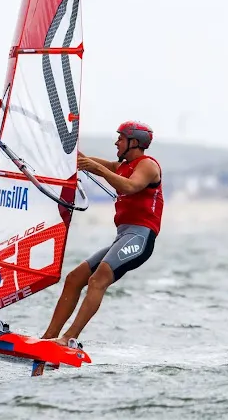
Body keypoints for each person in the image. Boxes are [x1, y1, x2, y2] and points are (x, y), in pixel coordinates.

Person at [42, 121, 164, 346]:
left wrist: (98, 169)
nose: (116, 142)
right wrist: (65, 152)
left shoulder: (147, 166)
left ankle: (69, 338)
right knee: (74, 278)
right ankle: (48, 338)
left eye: (120, 138)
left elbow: (129, 186)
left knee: (98, 279)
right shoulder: (123, 166)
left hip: (140, 238)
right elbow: (88, 163)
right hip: (123, 237)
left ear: (134, 142)